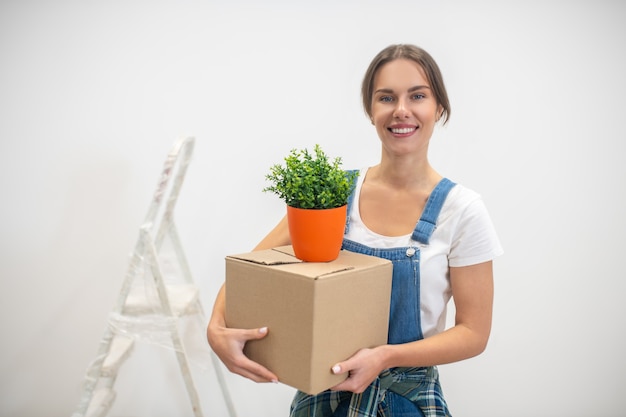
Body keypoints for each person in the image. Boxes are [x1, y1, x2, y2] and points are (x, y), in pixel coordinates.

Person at [207, 44, 503, 417]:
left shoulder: (462, 211)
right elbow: (253, 270)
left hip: (406, 402)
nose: (401, 110)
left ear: (438, 107)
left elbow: (474, 334)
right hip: (323, 398)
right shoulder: (334, 195)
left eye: (418, 96)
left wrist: (385, 357)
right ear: (370, 110)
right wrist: (216, 327)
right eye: (386, 97)